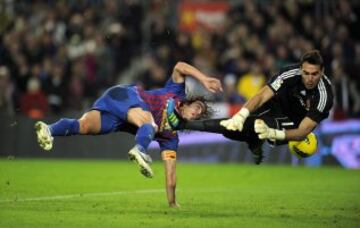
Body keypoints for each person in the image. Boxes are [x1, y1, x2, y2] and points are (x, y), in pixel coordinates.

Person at [35, 61, 222, 207]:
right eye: (198, 106)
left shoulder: (171, 137)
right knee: (150, 123)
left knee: (83, 126)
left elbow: (171, 174)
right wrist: (204, 79)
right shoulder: (176, 92)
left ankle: (48, 130)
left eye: (200, 113)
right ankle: (140, 149)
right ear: (189, 102)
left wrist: (172, 202)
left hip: (118, 117)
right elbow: (180, 66)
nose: (198, 112)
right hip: (125, 95)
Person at [166, 50, 333, 164]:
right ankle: (254, 144)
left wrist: (272, 133)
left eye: (314, 74)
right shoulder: (290, 73)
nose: (309, 78)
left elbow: (303, 131)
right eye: (306, 73)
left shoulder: (324, 96)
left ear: (322, 71)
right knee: (233, 127)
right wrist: (241, 114)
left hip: (292, 123)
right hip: (275, 105)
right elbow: (261, 95)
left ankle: (182, 124)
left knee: (250, 127)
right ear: (300, 68)